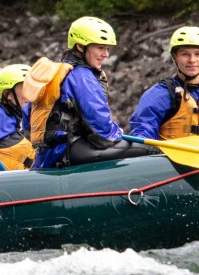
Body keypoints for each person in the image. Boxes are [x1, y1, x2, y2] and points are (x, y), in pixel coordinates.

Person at [25, 16, 150, 168]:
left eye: (107, 48)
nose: (106, 54)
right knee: (150, 150)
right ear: (80, 46)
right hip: (69, 151)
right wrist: (119, 134)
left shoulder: (55, 73)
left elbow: (27, 119)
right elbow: (103, 130)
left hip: (46, 154)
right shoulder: (81, 75)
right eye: (100, 48)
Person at [129, 26, 199, 140]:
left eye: (198, 54)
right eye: (185, 54)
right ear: (175, 57)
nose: (192, 60)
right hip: (172, 157)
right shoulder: (158, 96)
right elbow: (143, 133)